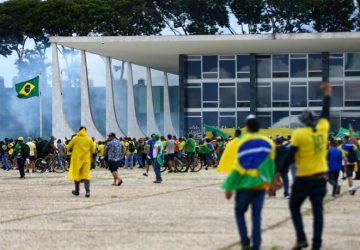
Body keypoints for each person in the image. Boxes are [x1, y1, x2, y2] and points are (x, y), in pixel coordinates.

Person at [270, 83, 331, 250]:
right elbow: (326, 112)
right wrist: (327, 95)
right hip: (321, 179)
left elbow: (289, 156)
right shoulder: (323, 129)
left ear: (303, 121)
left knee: (294, 206)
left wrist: (278, 175)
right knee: (318, 212)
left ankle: (301, 238)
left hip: (304, 178)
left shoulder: (299, 134)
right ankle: (316, 244)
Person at [223, 116, 276, 250]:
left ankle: (245, 242)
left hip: (244, 185)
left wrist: (229, 186)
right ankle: (256, 246)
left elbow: (238, 166)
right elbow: (271, 166)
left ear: (247, 127)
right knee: (256, 216)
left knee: (239, 212)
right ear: (259, 127)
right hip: (260, 185)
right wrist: (272, 184)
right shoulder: (268, 142)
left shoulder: (242, 141)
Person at [67, 127, 96, 198]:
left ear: (79, 131)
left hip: (76, 160)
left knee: (76, 175)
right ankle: (87, 192)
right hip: (86, 160)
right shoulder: (89, 140)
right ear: (85, 131)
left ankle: (77, 191)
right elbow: (93, 150)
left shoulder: (75, 139)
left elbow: (68, 147)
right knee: (86, 175)